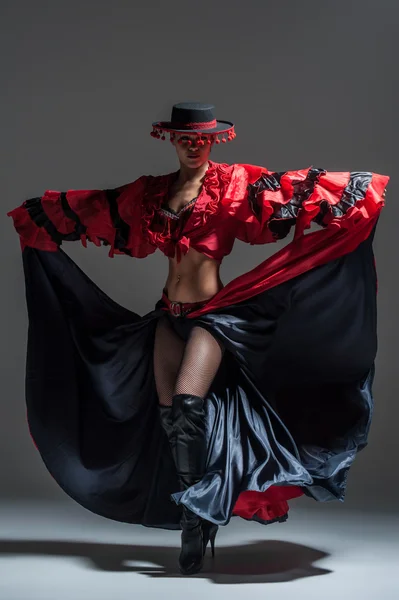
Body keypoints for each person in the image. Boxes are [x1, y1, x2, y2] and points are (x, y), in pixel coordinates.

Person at [7, 102, 389, 576]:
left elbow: (299, 194)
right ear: (171, 140)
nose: (193, 146)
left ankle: (193, 521)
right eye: (185, 138)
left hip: (213, 315)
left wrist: (355, 194)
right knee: (173, 418)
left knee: (189, 402)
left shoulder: (234, 186)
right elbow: (97, 208)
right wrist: (40, 216)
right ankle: (198, 516)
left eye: (201, 139)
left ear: (215, 141)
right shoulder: (150, 194)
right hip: (168, 315)